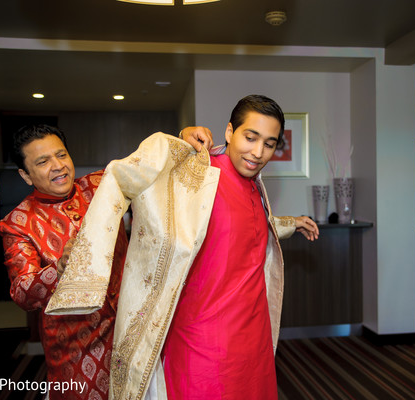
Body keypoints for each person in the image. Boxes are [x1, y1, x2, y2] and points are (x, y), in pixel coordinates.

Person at [45, 94, 319, 400]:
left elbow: (249, 229)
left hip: (252, 331)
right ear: (230, 132)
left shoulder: (255, 184)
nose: (258, 152)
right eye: (250, 137)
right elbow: (124, 177)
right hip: (202, 336)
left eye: (269, 143)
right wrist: (87, 254)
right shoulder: (198, 175)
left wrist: (290, 222)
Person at [0, 123, 213, 400]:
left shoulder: (101, 185)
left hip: (129, 326)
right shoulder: (18, 223)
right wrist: (58, 270)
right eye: (43, 161)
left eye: (61, 155)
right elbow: (22, 292)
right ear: (26, 175)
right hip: (74, 345)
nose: (58, 166)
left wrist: (181, 140)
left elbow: (150, 167)